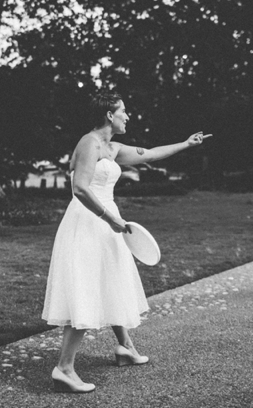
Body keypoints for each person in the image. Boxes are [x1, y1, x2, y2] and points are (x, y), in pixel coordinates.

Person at [41, 91, 211, 393]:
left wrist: (186, 143)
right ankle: (64, 369)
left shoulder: (112, 147)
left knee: (112, 281)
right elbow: (79, 188)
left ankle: (126, 347)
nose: (128, 116)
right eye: (123, 111)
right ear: (109, 114)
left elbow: (150, 153)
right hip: (88, 222)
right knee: (87, 288)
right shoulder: (89, 143)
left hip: (107, 222)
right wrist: (110, 218)